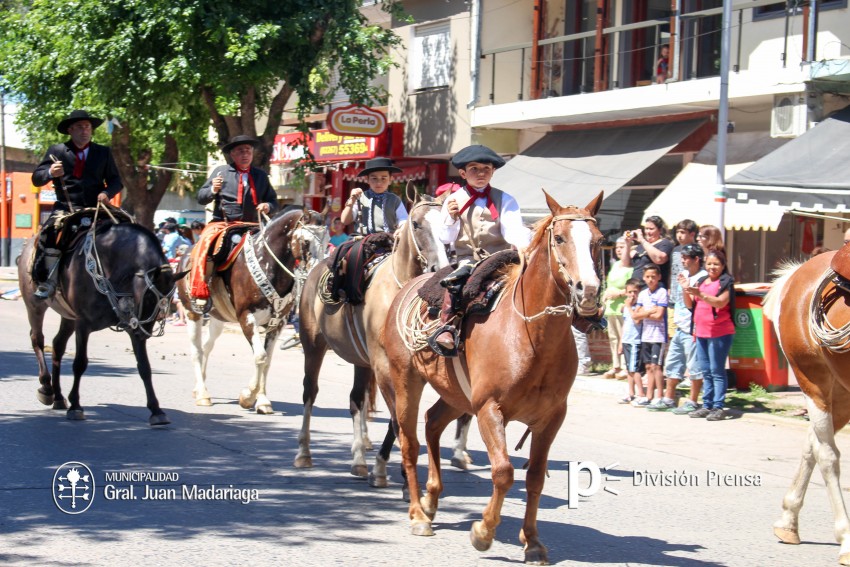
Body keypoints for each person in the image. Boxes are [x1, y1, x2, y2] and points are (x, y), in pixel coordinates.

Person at [430, 144, 532, 353]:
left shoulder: (505, 199)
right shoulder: (453, 200)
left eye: (486, 168)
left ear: (493, 172)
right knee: (456, 284)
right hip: (469, 259)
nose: (481, 173)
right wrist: (451, 217)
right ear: (462, 173)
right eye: (474, 169)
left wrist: (524, 248)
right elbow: (445, 237)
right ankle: (447, 327)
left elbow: (513, 230)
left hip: (501, 258)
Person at [31, 110, 123, 299]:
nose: (84, 131)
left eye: (87, 127)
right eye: (80, 127)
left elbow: (116, 181)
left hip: (96, 208)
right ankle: (47, 281)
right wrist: (49, 172)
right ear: (70, 130)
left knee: (125, 230)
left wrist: (106, 193)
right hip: (66, 208)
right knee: (50, 233)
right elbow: (36, 179)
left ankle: (123, 283)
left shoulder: (103, 152)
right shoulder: (56, 151)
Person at [685, 250, 735, 421]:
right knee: (706, 370)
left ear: (723, 265)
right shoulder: (701, 281)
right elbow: (689, 304)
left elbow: (721, 302)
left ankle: (718, 406)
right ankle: (707, 405)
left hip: (720, 332)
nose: (712, 267)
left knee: (716, 370)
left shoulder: (726, 281)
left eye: (716, 264)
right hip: (701, 332)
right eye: (709, 264)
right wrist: (686, 289)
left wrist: (700, 294)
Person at [666, 243, 708, 415]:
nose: (682, 261)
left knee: (694, 366)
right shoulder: (683, 274)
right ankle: (668, 398)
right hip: (679, 326)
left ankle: (693, 401)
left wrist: (685, 287)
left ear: (696, 259)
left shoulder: (703, 277)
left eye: (686, 258)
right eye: (682, 257)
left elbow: (693, 303)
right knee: (672, 363)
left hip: (694, 328)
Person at [197, 135, 277, 224]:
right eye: (240, 151)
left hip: (254, 226)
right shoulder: (221, 172)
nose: (245, 155)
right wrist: (213, 189)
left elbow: (274, 201)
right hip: (223, 224)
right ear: (232, 154)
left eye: (248, 151)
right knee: (207, 238)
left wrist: (267, 206)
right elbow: (201, 198)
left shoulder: (261, 175)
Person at [630, 264, 669, 409]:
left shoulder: (662, 292)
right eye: (647, 277)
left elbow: (659, 315)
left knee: (656, 366)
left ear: (659, 277)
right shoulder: (642, 294)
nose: (651, 279)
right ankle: (649, 396)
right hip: (645, 335)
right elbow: (635, 315)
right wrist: (649, 312)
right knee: (648, 367)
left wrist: (645, 313)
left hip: (658, 336)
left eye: (653, 276)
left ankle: (660, 396)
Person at [340, 157, 408, 235]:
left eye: (383, 178)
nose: (379, 183)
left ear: (390, 180)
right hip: (362, 240)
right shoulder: (360, 197)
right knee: (343, 247)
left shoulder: (395, 200)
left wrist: (401, 229)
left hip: (388, 240)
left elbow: (403, 220)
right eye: (374, 178)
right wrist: (351, 200)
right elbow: (345, 221)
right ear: (367, 179)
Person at [602, 237, 633, 380]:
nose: (619, 250)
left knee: (624, 337)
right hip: (611, 307)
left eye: (622, 246)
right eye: (618, 247)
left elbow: (632, 289)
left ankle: (626, 366)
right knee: (613, 338)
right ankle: (616, 365)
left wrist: (618, 293)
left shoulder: (631, 267)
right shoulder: (615, 265)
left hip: (622, 306)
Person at [621, 215, 673, 289]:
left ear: (660, 230)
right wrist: (627, 244)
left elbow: (659, 259)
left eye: (651, 229)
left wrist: (642, 240)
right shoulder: (641, 246)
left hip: (653, 289)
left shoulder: (665, 243)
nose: (648, 232)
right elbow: (625, 263)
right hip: (636, 289)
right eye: (646, 229)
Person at [619, 278, 646, 405]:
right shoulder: (625, 308)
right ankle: (631, 393)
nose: (632, 295)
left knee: (634, 369)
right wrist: (620, 342)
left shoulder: (639, 308)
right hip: (626, 340)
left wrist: (629, 307)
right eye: (629, 292)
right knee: (629, 369)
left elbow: (637, 321)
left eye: (635, 292)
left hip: (635, 341)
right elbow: (625, 325)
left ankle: (641, 394)